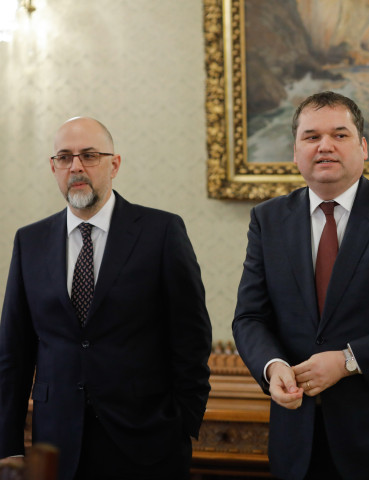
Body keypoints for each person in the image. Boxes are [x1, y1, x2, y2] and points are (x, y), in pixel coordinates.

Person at [232, 91, 369, 480]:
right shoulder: (268, 220)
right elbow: (250, 317)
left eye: (339, 135)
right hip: (299, 440)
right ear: (295, 151)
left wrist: (348, 360)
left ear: (363, 147)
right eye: (311, 136)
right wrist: (272, 367)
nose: (325, 146)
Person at [0, 117, 212, 480]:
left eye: (89, 155)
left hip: (147, 442)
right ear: (53, 167)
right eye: (64, 157)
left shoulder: (161, 232)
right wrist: (8, 446)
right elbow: (13, 354)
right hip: (56, 444)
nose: (76, 167)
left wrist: (183, 424)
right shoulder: (29, 241)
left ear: (114, 164)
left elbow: (192, 338)